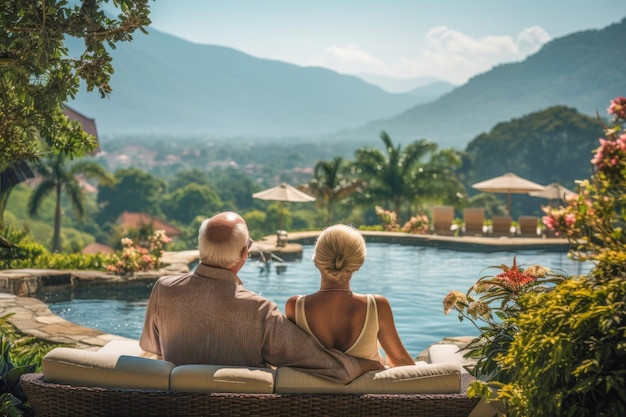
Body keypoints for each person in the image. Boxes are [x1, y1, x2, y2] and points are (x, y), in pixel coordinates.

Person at [140, 212, 383, 383]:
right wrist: (368, 365)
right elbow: (325, 365)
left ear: (200, 248)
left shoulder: (164, 290)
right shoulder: (259, 312)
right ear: (244, 254)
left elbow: (153, 349)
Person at [285, 224, 415, 367]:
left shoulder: (295, 307)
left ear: (317, 260)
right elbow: (402, 363)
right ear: (358, 264)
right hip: (369, 389)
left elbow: (291, 361)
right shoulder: (377, 306)